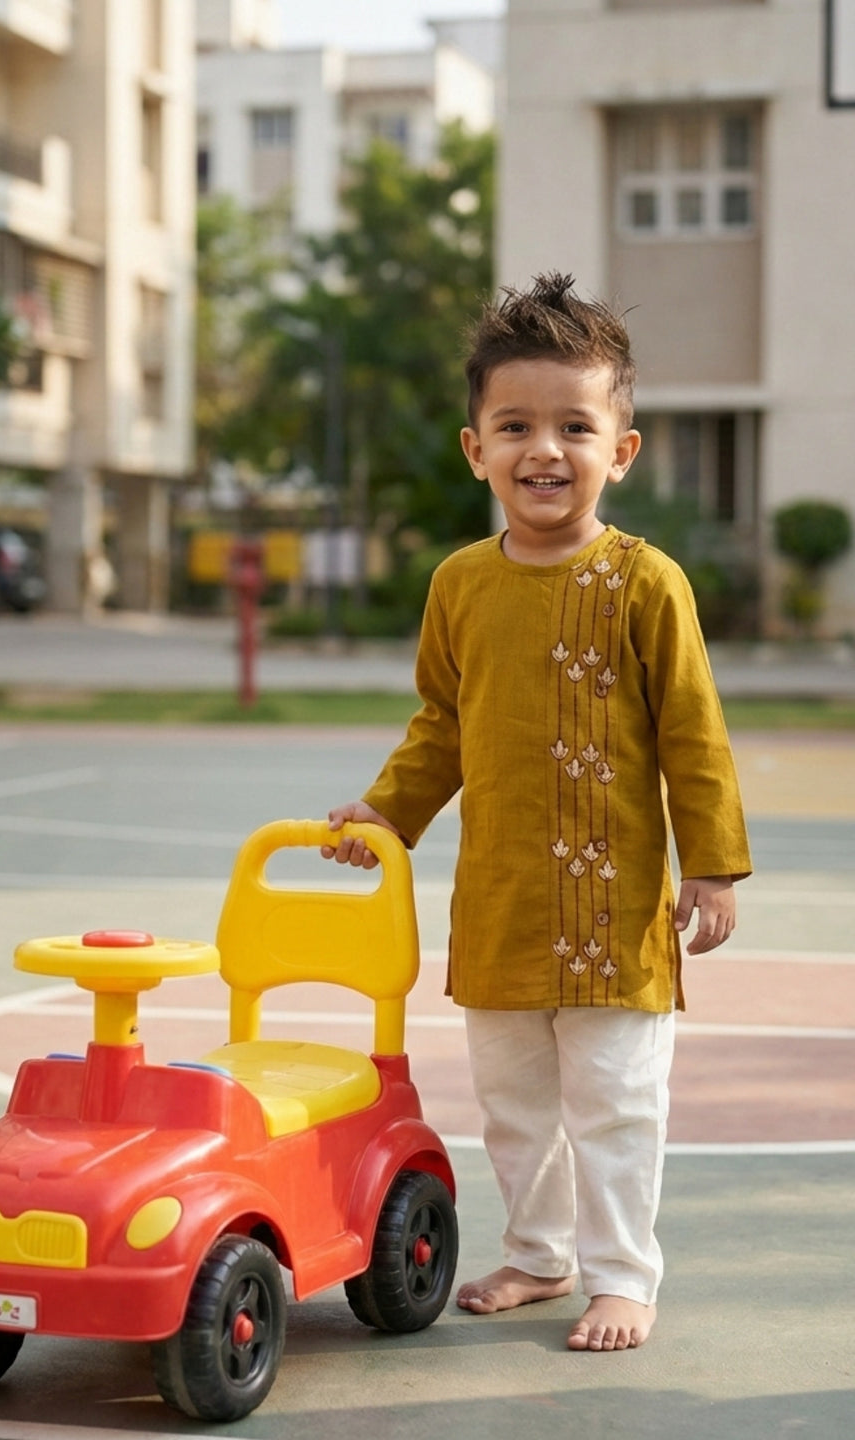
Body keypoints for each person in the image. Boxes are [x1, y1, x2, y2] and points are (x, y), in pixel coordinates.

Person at [322, 272, 752, 1353]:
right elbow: (441, 726)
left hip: (613, 923)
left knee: (612, 1105)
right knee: (512, 1106)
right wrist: (387, 812)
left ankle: (622, 1277)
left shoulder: (648, 584)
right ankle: (540, 1253)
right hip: (504, 907)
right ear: (477, 448)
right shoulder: (460, 585)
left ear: (622, 450)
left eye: (574, 425)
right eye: (515, 426)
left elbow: (696, 734)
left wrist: (713, 865)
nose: (544, 450)